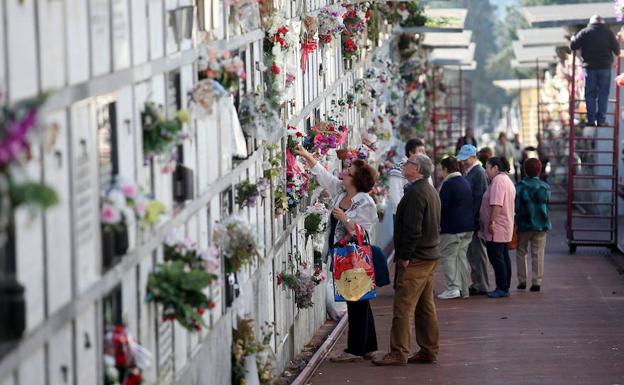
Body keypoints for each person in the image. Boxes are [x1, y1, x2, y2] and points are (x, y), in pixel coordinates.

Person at [295, 145, 379, 362]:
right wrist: (305, 155)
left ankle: (354, 350)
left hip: (356, 258)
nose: (343, 174)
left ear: (356, 181)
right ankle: (368, 345)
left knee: (356, 301)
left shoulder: (365, 202)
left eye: (348, 173)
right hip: (341, 256)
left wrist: (345, 219)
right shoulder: (341, 193)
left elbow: (363, 231)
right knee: (359, 300)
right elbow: (324, 176)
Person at [373, 154, 440, 366]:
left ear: (417, 169)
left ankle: (398, 352)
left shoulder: (416, 193)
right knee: (424, 306)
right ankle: (429, 349)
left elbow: (412, 229)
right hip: (429, 255)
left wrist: (405, 256)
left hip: (417, 258)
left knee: (403, 306)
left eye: (409, 163)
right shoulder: (429, 191)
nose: (404, 166)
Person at [570, 15, 620, 127]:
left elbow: (573, 46)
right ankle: (601, 120)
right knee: (603, 94)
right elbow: (617, 51)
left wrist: (573, 38)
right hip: (605, 67)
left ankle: (591, 120)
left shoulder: (584, 32)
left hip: (589, 67)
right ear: (602, 23)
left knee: (590, 94)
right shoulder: (608, 33)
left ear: (591, 23)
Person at [437, 156, 474, 299]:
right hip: (467, 227)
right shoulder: (464, 181)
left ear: (446, 169)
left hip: (452, 228)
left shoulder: (448, 184)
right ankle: (464, 289)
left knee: (449, 257)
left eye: (442, 169)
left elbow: (442, 207)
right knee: (461, 258)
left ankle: (453, 288)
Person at [479, 157, 516, 298]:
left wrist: (492, 222)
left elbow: (497, 204)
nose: (486, 171)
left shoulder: (498, 181)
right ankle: (504, 286)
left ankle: (502, 287)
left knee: (496, 257)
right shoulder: (505, 180)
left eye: (487, 167)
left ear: (495, 168)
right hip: (504, 225)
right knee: (503, 256)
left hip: (497, 226)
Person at [457, 145, 490, 296]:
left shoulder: (479, 173)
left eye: (465, 159)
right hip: (470, 218)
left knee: (478, 253)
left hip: (474, 219)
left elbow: (480, 198)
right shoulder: (471, 171)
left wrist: (475, 219)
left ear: (473, 157)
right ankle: (477, 282)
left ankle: (482, 283)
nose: (463, 162)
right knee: (472, 253)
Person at [515, 158, 551, 292]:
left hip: (523, 224)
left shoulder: (519, 186)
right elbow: (547, 205)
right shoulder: (545, 186)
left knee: (521, 252)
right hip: (541, 224)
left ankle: (522, 280)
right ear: (539, 170)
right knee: (538, 253)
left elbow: (516, 207)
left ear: (525, 170)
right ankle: (537, 281)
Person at [388, 139, 433, 217]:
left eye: (424, 151)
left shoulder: (423, 167)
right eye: (421, 151)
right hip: (403, 214)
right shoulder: (398, 169)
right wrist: (407, 213)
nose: (424, 154)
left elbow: (430, 187)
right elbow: (395, 195)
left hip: (422, 214)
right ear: (411, 152)